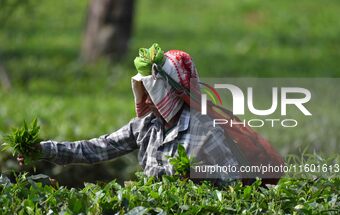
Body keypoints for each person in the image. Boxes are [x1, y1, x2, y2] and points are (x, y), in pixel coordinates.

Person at [17, 43, 239, 181]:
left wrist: (198, 180)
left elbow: (233, 179)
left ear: (170, 94)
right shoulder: (145, 126)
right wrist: (43, 149)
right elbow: (96, 149)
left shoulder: (205, 131)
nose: (147, 101)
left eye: (153, 94)